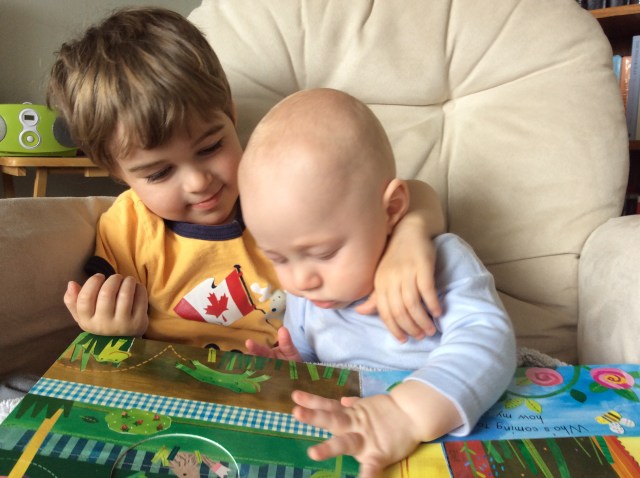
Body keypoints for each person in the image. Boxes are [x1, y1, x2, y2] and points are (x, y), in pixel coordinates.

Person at [46, 7, 446, 352]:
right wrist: (111, 327)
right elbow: (103, 325)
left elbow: (413, 196)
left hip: (289, 382)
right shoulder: (128, 229)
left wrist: (409, 237)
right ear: (118, 173)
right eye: (160, 172)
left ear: (231, 116)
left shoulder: (279, 190)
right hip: (171, 388)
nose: (198, 181)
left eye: (210, 147)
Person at [239, 88, 517, 477]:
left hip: (443, 430)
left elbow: (490, 340)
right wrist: (294, 368)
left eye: (324, 253)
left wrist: (406, 412)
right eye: (278, 258)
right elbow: (314, 358)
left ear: (391, 209)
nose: (300, 280)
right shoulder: (308, 295)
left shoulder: (441, 261)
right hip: (359, 440)